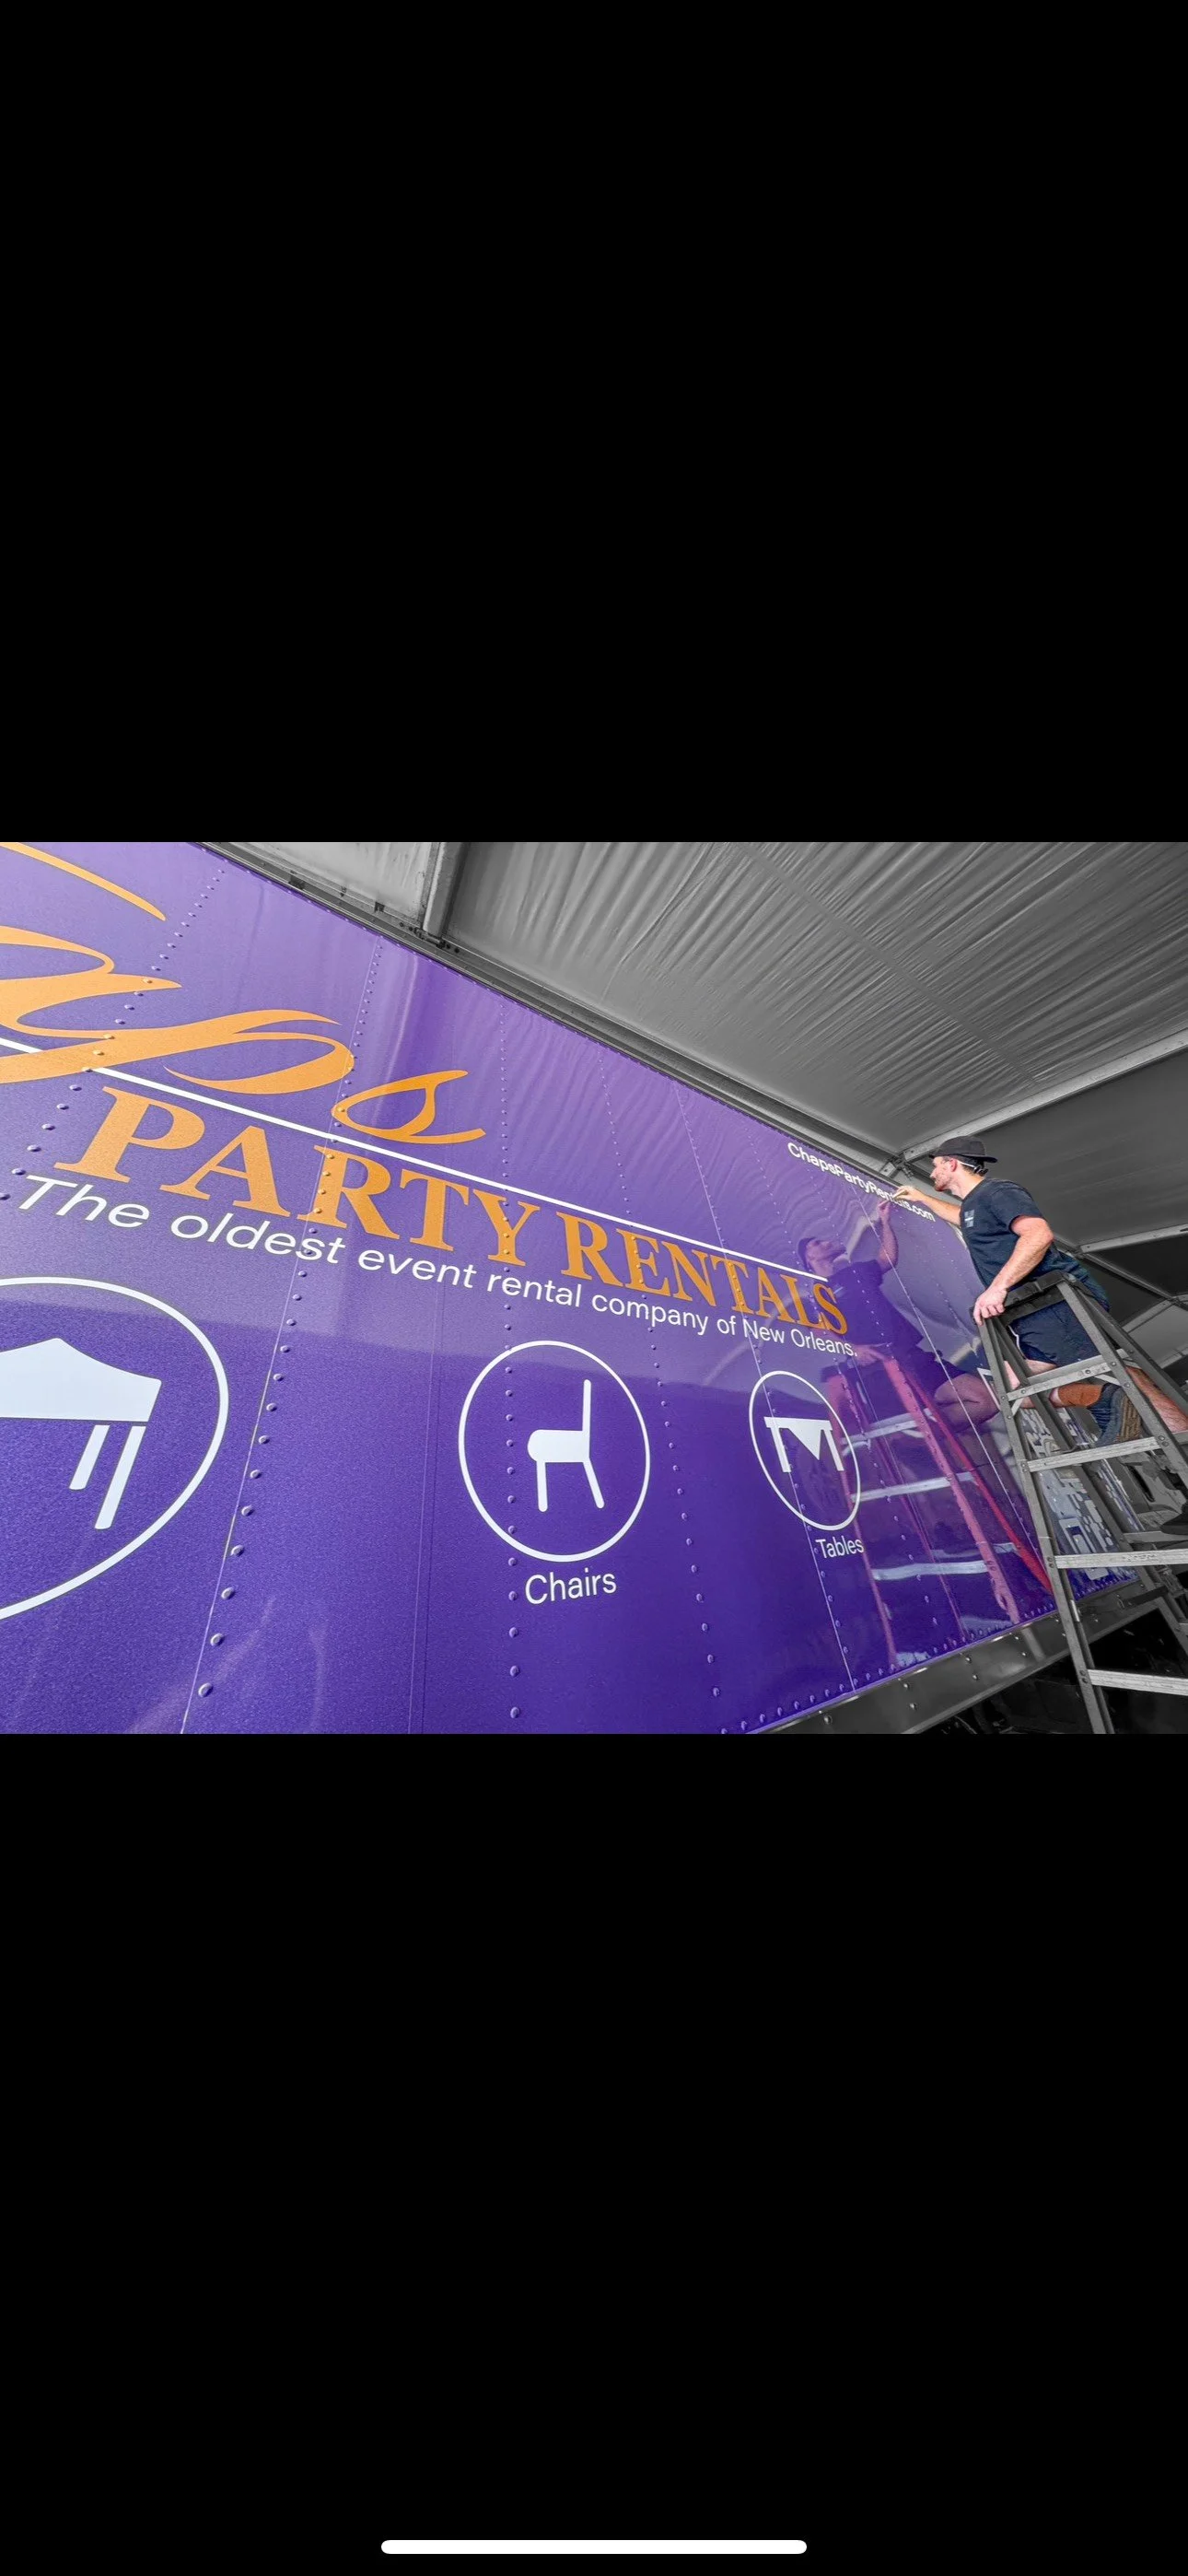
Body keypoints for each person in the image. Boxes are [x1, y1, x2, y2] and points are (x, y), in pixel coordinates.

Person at [891, 1135, 1188, 1537]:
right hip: (1031, 1313)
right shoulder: (975, 1206)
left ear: (952, 1163)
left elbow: (1037, 1235)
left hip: (1053, 1302)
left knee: (1122, 1378)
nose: (932, 1173)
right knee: (1014, 1391)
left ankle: (1133, 1417)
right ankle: (1104, 1398)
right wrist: (922, 1200)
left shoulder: (999, 1192)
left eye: (936, 1165)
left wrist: (997, 1288)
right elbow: (965, 1220)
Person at [798, 1202, 998, 1436]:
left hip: (913, 1355)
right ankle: (918, 1440)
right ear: (809, 1259)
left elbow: (888, 1258)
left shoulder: (856, 1272)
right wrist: (853, 1349)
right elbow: (817, 1331)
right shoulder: (817, 1292)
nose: (825, 1242)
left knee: (987, 1400)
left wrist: (885, 1222)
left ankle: (928, 1434)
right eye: (816, 1244)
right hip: (883, 1368)